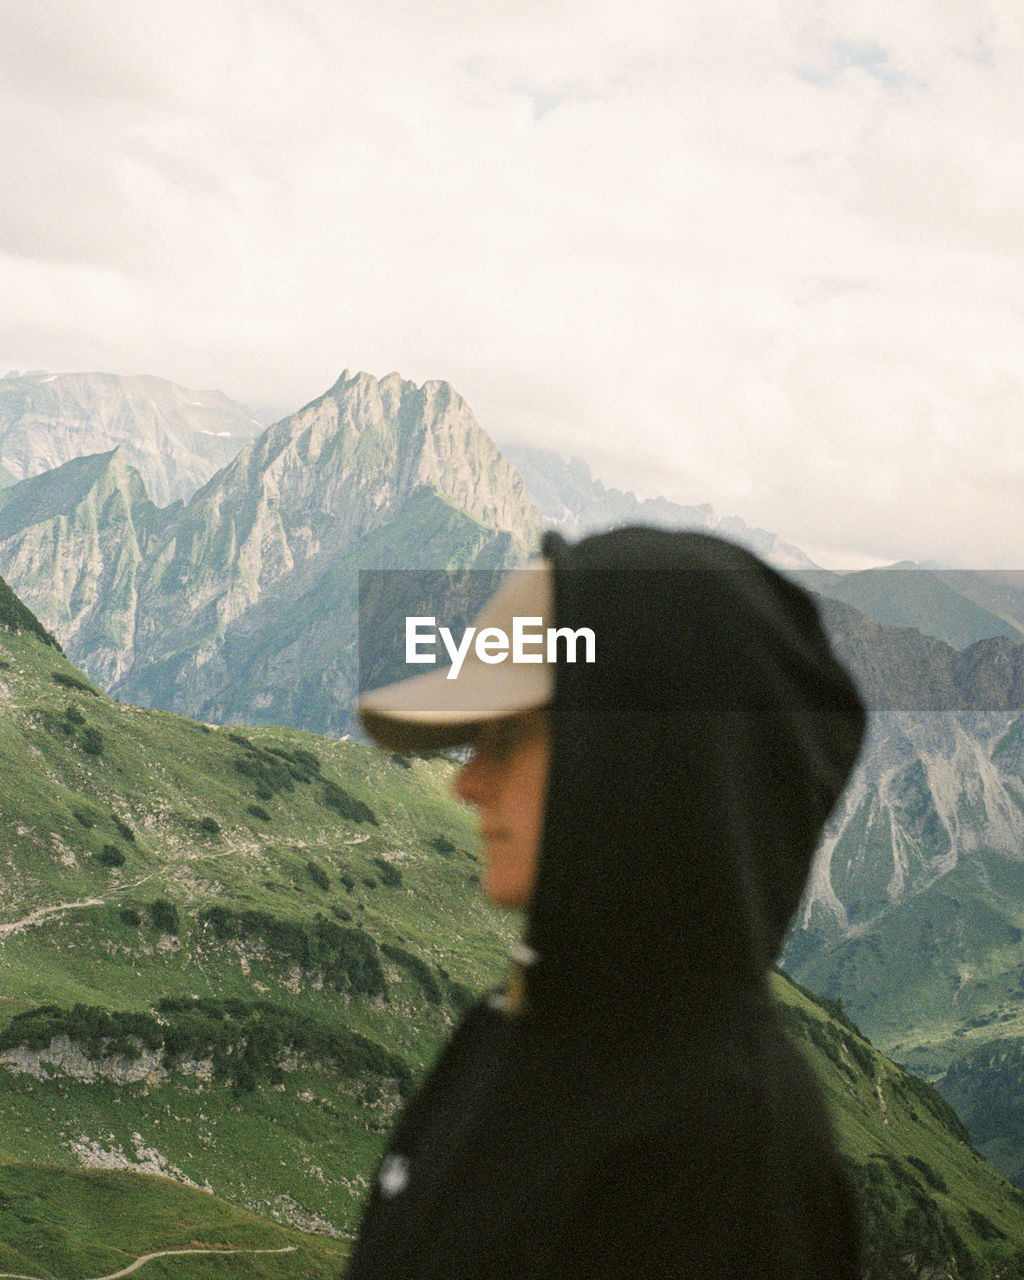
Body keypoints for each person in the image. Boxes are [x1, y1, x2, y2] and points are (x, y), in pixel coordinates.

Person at [348, 526, 867, 1280]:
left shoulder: (722, 1150)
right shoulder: (521, 1027)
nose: (466, 782)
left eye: (509, 735)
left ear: (635, 757)